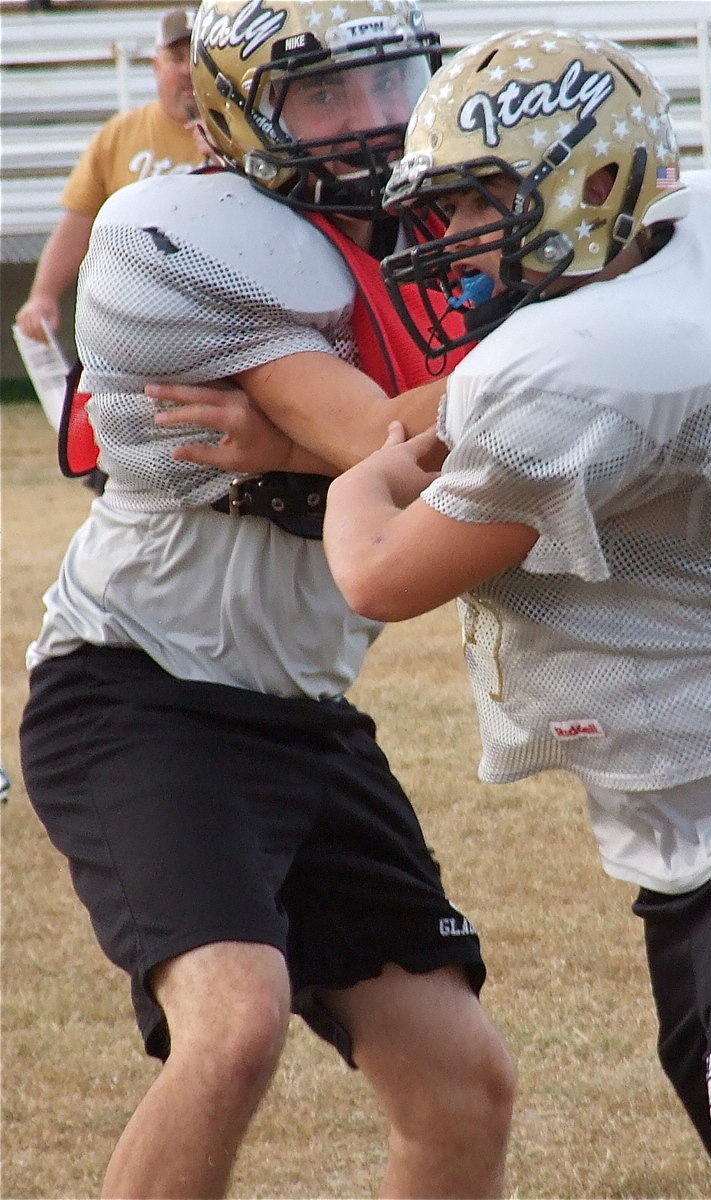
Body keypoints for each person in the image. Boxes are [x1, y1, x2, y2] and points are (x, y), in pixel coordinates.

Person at [314, 29, 711, 1200]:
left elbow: (380, 578)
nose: (450, 237)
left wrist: (355, 479)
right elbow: (493, 386)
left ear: (592, 180)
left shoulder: (594, 365)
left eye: (477, 200)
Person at [17, 3, 515, 1197]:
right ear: (242, 113)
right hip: (141, 689)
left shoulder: (426, 229)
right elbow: (377, 438)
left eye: (390, 80)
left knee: (463, 1084)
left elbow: (400, 449)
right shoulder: (193, 231)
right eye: (326, 96)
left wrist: (292, 454)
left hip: (304, 710)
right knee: (235, 1025)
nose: (374, 122)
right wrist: (556, 363)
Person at [14, 8, 206, 344]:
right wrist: (43, 294)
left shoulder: (240, 134)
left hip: (213, 308)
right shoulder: (119, 135)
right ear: (155, 66)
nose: (189, 69)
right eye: (176, 57)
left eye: (199, 56)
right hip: (132, 315)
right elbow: (79, 223)